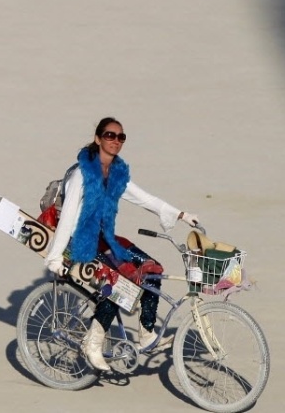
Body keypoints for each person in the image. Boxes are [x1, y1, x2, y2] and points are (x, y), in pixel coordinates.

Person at [43, 117, 199, 372]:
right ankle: (92, 343)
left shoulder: (115, 174)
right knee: (116, 285)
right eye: (109, 135)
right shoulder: (83, 174)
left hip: (102, 238)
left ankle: (147, 333)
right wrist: (55, 256)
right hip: (78, 240)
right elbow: (69, 215)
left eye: (120, 137)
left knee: (152, 268)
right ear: (98, 139)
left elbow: (143, 198)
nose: (115, 141)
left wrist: (180, 214)